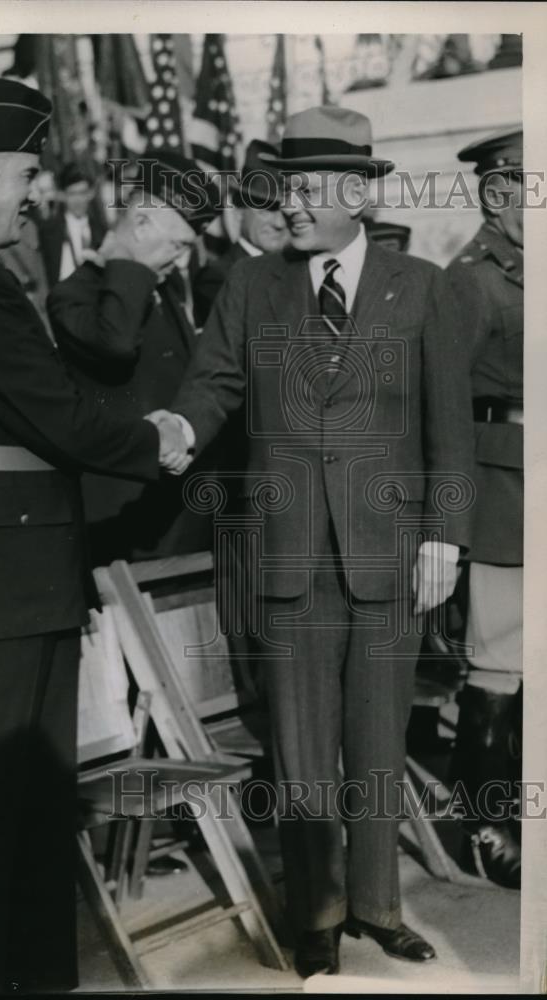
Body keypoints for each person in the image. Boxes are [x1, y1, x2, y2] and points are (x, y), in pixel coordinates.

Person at [161, 106, 475, 978]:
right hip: (287, 551)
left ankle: (378, 907)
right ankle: (319, 915)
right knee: (300, 751)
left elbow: (450, 426)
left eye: (305, 188)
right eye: (284, 188)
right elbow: (212, 383)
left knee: (378, 737)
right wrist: (174, 428)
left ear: (358, 194)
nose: (291, 205)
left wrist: (446, 536)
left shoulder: (423, 286)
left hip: (390, 550)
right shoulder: (252, 285)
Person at [0, 77, 181, 995]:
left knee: (33, 801)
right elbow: (58, 417)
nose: (34, 192)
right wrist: (158, 440)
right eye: (22, 173)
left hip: (15, 562)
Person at [47, 152, 222, 566]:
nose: (180, 258)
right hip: (128, 528)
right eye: (177, 244)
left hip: (183, 515)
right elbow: (117, 343)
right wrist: (121, 257)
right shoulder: (75, 295)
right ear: (141, 223)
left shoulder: (163, 289)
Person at [445, 129, 523, 890]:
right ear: (500, 195)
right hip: (505, 492)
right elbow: (438, 407)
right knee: (499, 665)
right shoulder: (470, 281)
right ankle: (486, 824)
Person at [192, 138, 288, 328]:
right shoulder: (218, 278)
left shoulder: (301, 270)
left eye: (285, 212)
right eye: (265, 209)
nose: (278, 223)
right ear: (238, 211)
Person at [38, 162, 108, 286]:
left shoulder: (101, 230)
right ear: (63, 195)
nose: (78, 200)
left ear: (90, 193)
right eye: (72, 194)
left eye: (82, 193)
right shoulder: (50, 230)